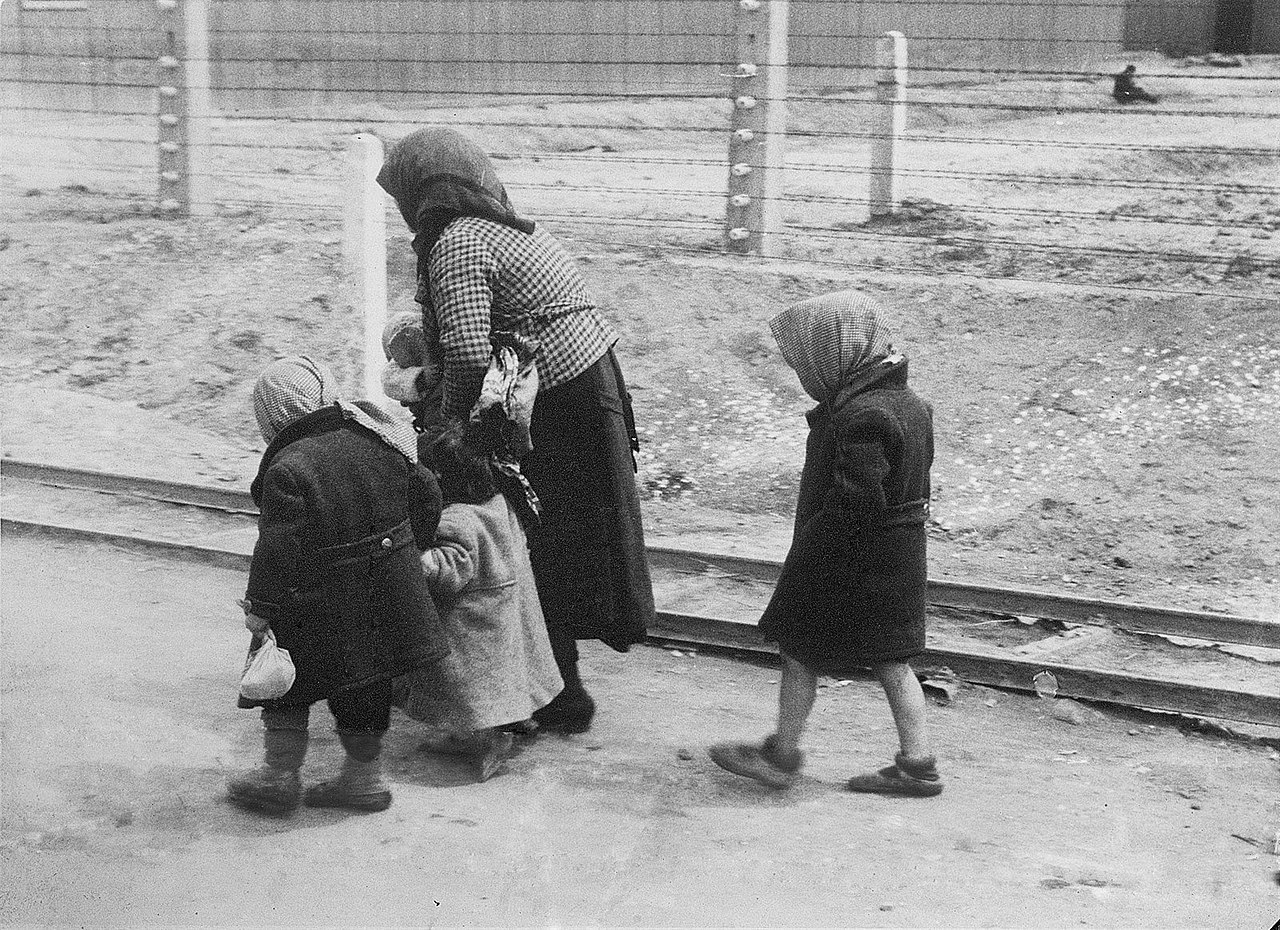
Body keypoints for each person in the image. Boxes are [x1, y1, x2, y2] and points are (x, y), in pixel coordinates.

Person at [376, 127, 654, 734]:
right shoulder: (509, 228)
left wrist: (443, 426)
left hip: (552, 406)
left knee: (529, 541)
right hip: (586, 389)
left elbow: (469, 357)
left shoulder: (456, 242)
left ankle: (550, 693)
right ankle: (557, 687)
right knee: (564, 544)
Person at [708, 292, 942, 797]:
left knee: (799, 650)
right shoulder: (913, 406)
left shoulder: (862, 415)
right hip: (901, 555)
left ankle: (781, 756)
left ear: (834, 353)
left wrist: (813, 553)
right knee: (894, 661)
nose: (806, 374)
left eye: (809, 360)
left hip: (850, 558)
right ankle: (918, 765)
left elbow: (858, 501)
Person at [226, 356, 447, 815]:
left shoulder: (287, 467)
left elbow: (277, 548)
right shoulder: (376, 435)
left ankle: (279, 778)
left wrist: (261, 608)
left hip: (313, 604)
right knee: (367, 686)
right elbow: (427, 491)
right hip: (384, 595)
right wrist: (407, 552)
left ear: (273, 416)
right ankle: (363, 780)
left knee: (285, 687)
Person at [398, 419, 564, 782]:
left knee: (474, 689)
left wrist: (413, 559)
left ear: (442, 479)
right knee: (503, 679)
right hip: (504, 611)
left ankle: (494, 739)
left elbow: (448, 570)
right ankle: (485, 730)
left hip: (474, 624)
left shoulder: (456, 520)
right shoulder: (498, 502)